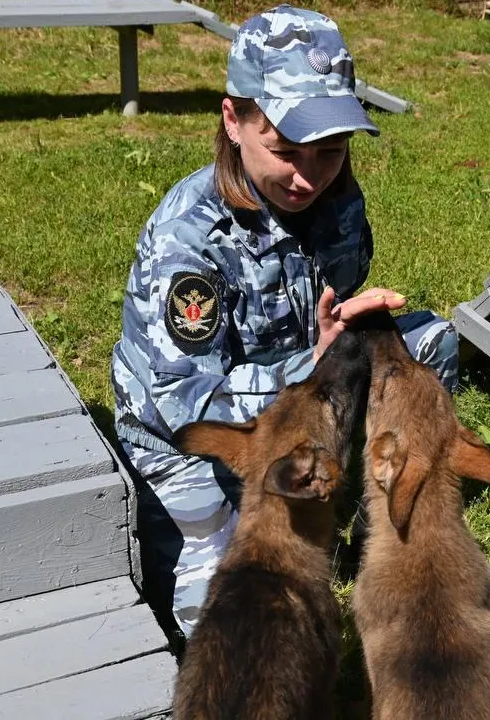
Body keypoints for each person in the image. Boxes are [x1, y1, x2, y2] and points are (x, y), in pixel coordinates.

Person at [111, 4, 458, 638]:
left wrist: (349, 332)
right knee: (230, 625)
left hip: (308, 391)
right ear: (233, 120)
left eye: (329, 152)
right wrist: (315, 362)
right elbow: (184, 405)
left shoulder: (334, 191)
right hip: (197, 445)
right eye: (285, 150)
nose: (308, 176)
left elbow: (335, 291)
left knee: (430, 349)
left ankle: (379, 517)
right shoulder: (187, 242)